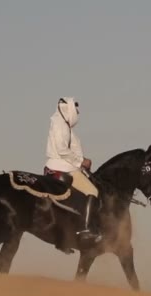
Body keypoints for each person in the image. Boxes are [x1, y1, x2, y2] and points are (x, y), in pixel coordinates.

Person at [44, 97, 102, 244]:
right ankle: (86, 229)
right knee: (93, 191)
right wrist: (81, 161)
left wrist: (81, 160)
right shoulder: (61, 125)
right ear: (68, 109)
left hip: (64, 165)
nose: (77, 113)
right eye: (75, 110)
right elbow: (62, 150)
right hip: (63, 168)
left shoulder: (62, 124)